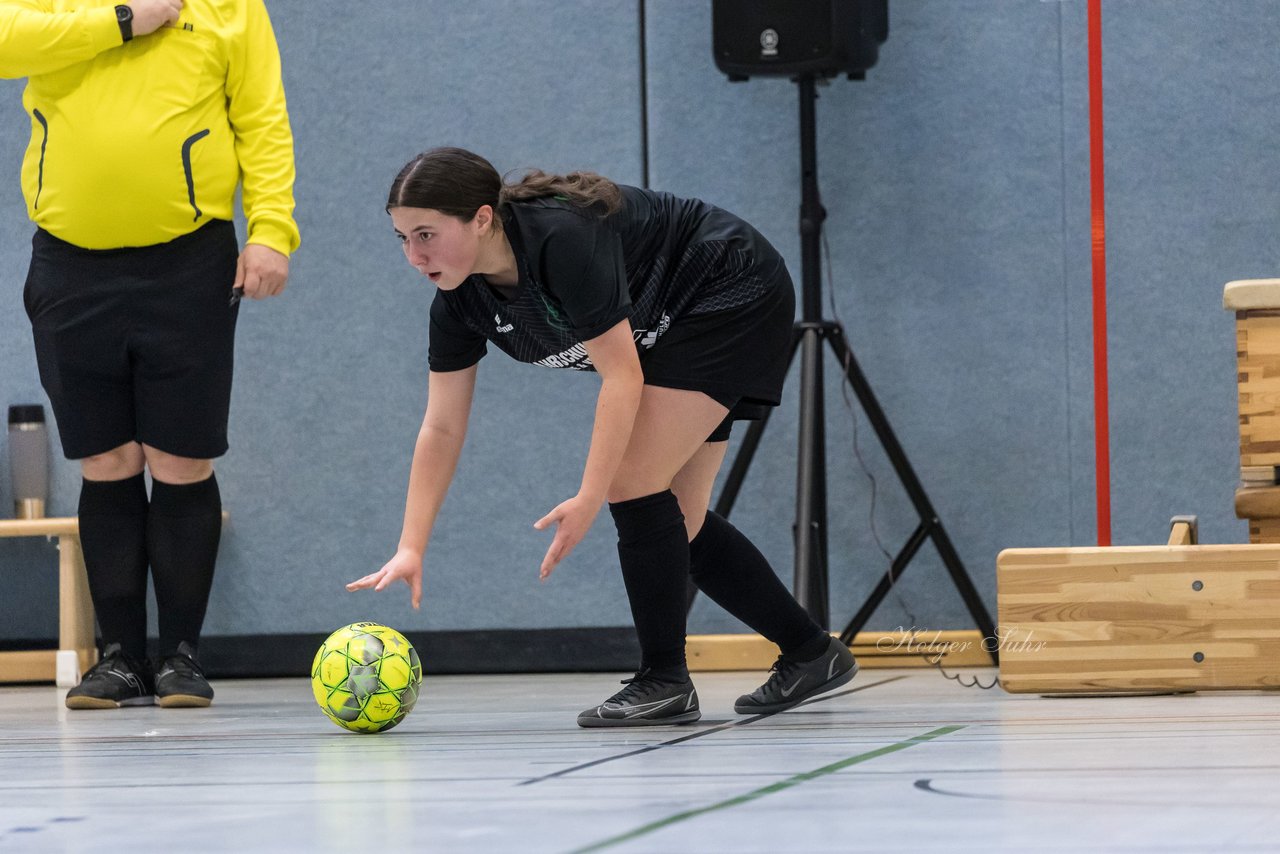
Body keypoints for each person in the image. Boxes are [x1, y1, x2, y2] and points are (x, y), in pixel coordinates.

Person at [347, 147, 856, 727]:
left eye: (426, 234)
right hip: (668, 325)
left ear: (483, 218)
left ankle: (663, 680)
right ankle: (812, 652)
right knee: (677, 526)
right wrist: (411, 544)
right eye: (402, 238)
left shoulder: (561, 240)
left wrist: (594, 494)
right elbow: (440, 426)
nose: (414, 256)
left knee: (633, 485)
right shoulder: (460, 304)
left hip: (728, 285)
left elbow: (622, 375)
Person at [2, 0, 300, 709]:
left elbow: (262, 117)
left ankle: (181, 657)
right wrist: (123, 20)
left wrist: (271, 227)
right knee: (104, 460)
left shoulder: (231, 9)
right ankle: (118, 658)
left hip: (189, 262)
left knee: (179, 458)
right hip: (71, 264)